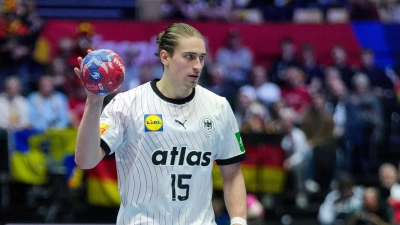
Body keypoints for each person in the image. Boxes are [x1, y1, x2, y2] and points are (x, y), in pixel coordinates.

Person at [74, 23, 248, 225]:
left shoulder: (219, 107)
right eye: (189, 56)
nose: (198, 66)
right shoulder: (127, 104)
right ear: (165, 57)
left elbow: (233, 174)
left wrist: (238, 221)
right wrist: (94, 102)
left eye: (201, 57)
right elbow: (86, 161)